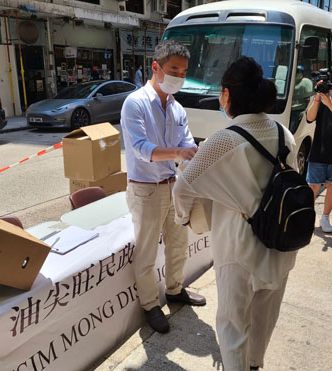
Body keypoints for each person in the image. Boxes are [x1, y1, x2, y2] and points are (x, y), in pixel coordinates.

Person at [173, 56, 298, 370]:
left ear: (227, 95)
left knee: (232, 326)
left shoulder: (223, 141)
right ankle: (255, 365)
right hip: (280, 244)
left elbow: (182, 187)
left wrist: (183, 217)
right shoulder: (285, 134)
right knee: (265, 318)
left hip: (239, 251)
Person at [121, 40, 206, 334]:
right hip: (145, 188)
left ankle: (174, 290)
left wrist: (194, 153)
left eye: (183, 72)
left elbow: (187, 142)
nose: (179, 77)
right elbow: (142, 148)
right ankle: (149, 305)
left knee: (179, 244)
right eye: (173, 70)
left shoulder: (177, 108)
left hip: (173, 186)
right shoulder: (135, 103)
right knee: (146, 252)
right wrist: (179, 153)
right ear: (156, 67)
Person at [306, 81, 332, 232]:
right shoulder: (322, 96)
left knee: (331, 186)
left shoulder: (328, 99)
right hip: (319, 149)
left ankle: (325, 218)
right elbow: (310, 117)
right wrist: (317, 96)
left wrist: (329, 103)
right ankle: (306, 216)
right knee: (313, 186)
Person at [290, 65, 313, 133]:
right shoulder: (290, 80)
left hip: (299, 111)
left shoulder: (306, 82)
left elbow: (308, 98)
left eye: (299, 71)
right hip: (288, 109)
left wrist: (306, 111)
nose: (297, 73)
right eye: (296, 71)